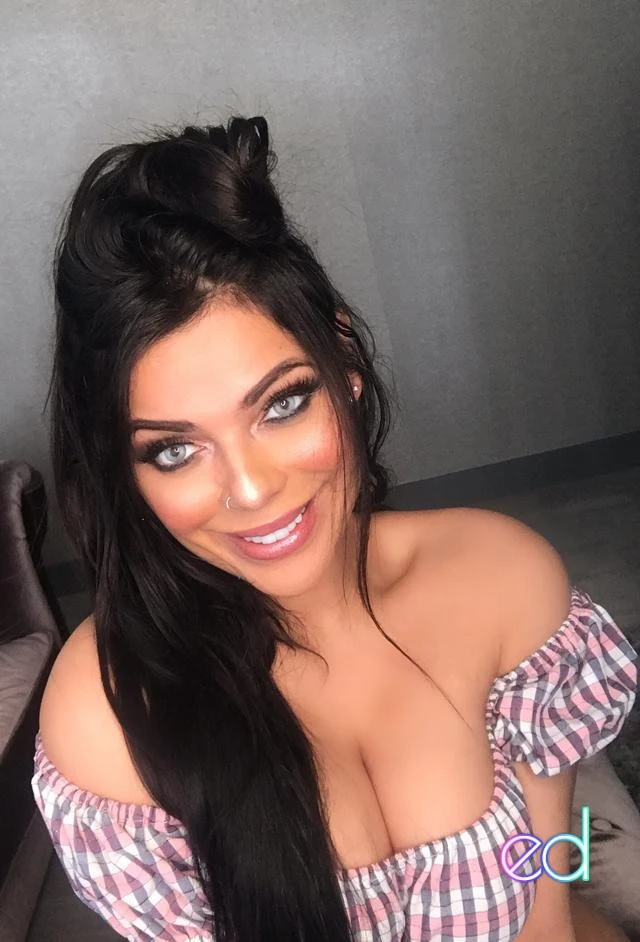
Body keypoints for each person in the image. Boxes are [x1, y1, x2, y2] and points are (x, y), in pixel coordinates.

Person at [33, 115, 637, 942]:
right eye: (174, 450)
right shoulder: (109, 712)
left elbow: (544, 887)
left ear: (343, 364)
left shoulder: (502, 578)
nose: (252, 489)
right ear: (121, 467)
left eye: (282, 404)